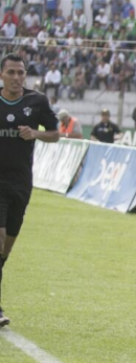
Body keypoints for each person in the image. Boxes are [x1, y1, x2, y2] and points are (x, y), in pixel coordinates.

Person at [0, 54, 60, 327]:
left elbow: (55, 133)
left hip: (22, 183)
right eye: (11, 72)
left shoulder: (37, 101)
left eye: (20, 72)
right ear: (2, 75)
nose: (16, 77)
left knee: (5, 250)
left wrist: (35, 134)